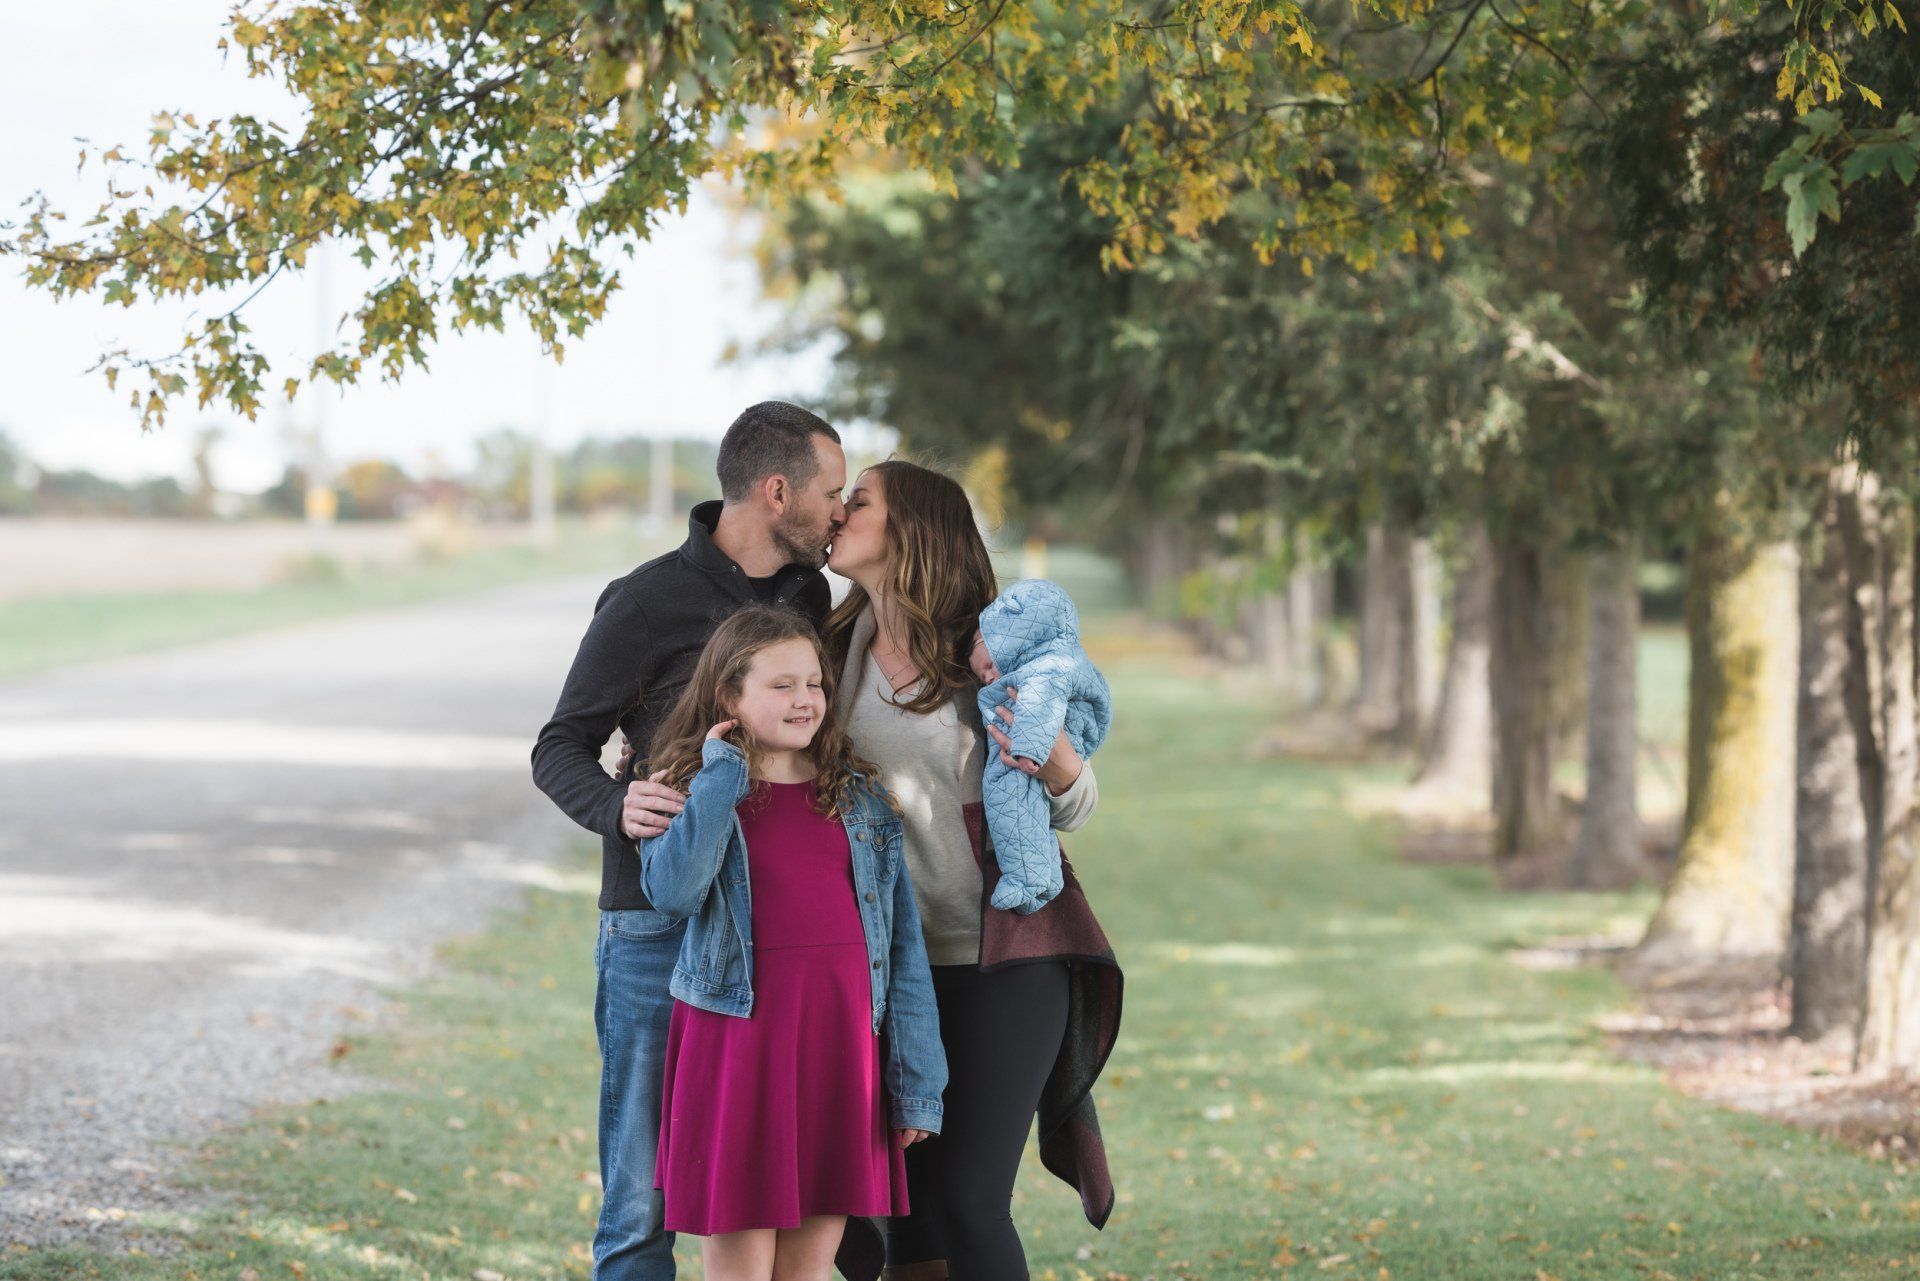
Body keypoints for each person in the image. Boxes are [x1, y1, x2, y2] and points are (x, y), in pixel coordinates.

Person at [629, 459, 1123, 1281]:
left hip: (1001, 956)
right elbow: (748, 728)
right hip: (881, 968)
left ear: (910, 529)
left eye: (857, 502)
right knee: (901, 1220)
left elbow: (1074, 806)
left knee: (969, 1199)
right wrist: (645, 785)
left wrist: (1061, 763)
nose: (836, 514)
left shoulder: (989, 647)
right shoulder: (829, 645)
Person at [530, 401, 849, 1281]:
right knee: (643, 1201)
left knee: (748, 1187)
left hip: (763, 941)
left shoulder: (806, 597)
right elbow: (558, 745)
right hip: (651, 929)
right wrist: (613, 806)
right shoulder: (645, 600)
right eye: (832, 491)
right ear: (777, 491)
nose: (840, 511)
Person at [637, 605, 947, 1281]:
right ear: (729, 696)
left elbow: (903, 953)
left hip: (838, 1048)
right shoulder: (694, 791)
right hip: (737, 1049)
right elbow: (674, 891)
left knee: (807, 1269)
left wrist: (917, 1079)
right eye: (782, 685)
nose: (805, 698)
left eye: (814, 682)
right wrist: (721, 772)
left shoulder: (860, 799)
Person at [967, 579, 1113, 914]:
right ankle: (1041, 876)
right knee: (1023, 805)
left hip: (1034, 747)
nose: (988, 678)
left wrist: (1031, 751)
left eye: (990, 668)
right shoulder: (1049, 659)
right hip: (1038, 741)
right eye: (981, 676)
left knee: (1010, 794)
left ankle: (1026, 879)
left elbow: (1039, 702)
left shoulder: (1044, 667)